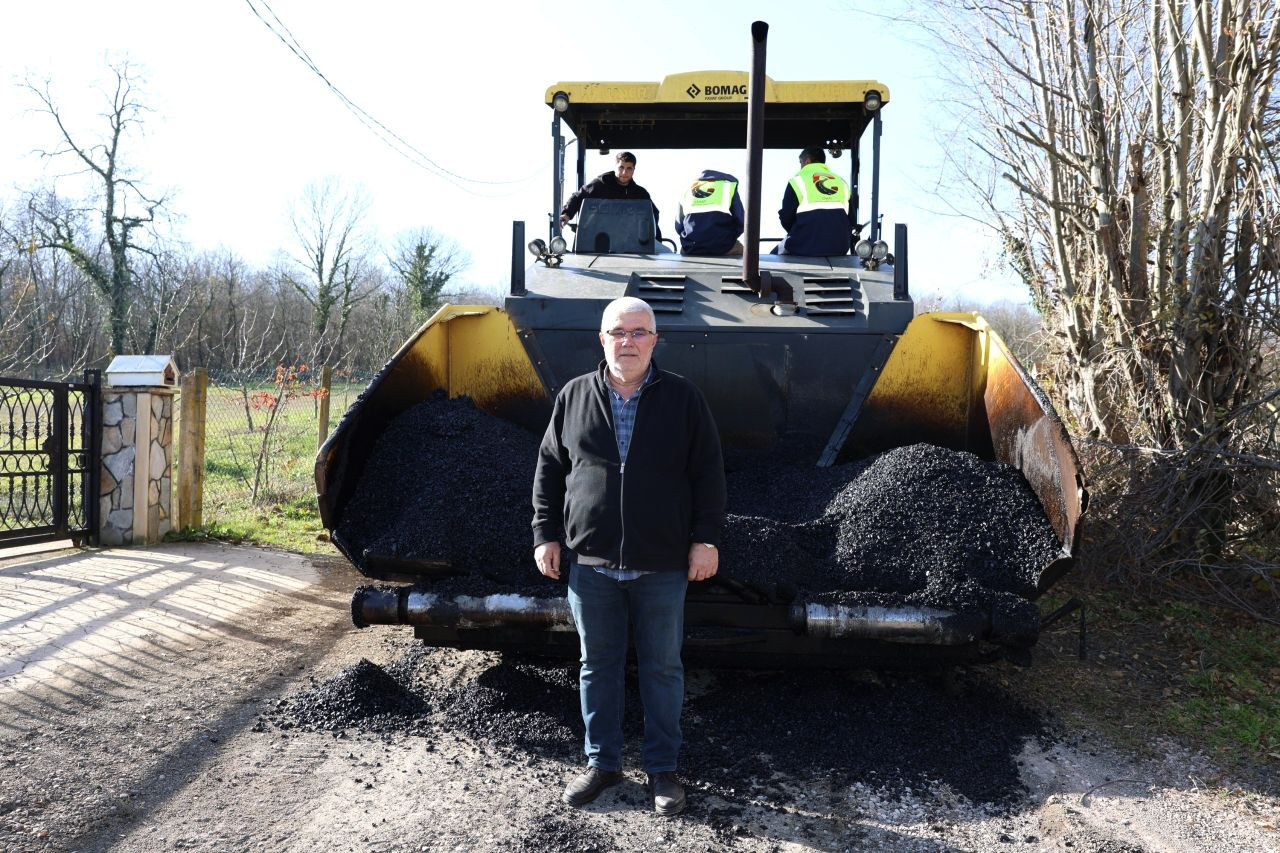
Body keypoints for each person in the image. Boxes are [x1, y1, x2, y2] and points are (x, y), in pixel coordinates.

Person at [531, 296, 725, 817]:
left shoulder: (684, 399)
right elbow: (550, 469)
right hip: (590, 564)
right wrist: (545, 534)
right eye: (618, 332)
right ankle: (603, 763)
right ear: (602, 339)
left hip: (661, 563)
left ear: (655, 340)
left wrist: (706, 539)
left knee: (662, 669)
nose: (628, 342)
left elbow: (708, 472)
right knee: (597, 666)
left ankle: (663, 770)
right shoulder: (574, 396)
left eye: (639, 332)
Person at [560, 151, 662, 240]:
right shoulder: (600, 185)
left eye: (629, 168)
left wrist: (654, 240)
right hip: (599, 242)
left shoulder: (640, 193)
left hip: (631, 243)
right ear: (615, 167)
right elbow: (578, 196)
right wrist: (567, 214)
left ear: (634, 169)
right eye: (621, 167)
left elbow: (653, 214)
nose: (624, 172)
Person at [776, 147, 852, 256]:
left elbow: (786, 218)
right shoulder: (842, 182)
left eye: (800, 162)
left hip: (804, 246)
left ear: (807, 161)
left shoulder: (797, 181)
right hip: (840, 247)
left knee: (773, 255)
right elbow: (852, 219)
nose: (800, 166)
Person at [674, 169, 744, 256]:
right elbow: (741, 221)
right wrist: (730, 237)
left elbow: (678, 226)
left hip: (692, 247)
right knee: (747, 255)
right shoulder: (727, 185)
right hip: (723, 245)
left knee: (682, 253)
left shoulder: (688, 189)